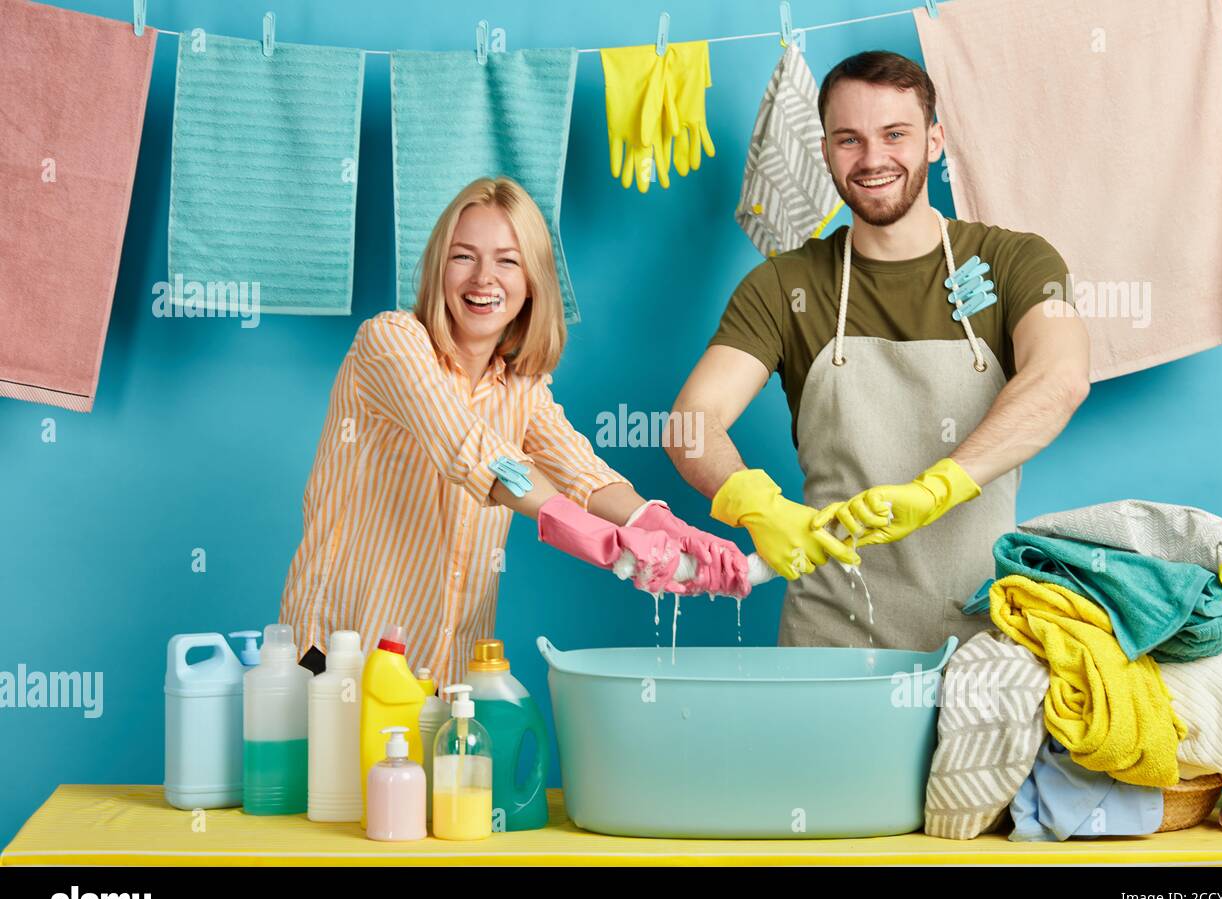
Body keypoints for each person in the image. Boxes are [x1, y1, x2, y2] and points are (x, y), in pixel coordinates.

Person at [667, 51, 1091, 651]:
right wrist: (755, 504)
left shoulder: (1014, 261)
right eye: (849, 139)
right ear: (825, 152)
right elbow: (689, 423)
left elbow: (1060, 378)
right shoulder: (785, 285)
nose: (872, 159)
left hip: (984, 638)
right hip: (828, 640)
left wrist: (936, 489)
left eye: (895, 134)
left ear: (934, 141)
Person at [280, 176, 749, 684]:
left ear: (532, 282)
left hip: (440, 675)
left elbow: (585, 474)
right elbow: (471, 449)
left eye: (507, 261)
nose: (484, 278)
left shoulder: (522, 389)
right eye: (463, 256)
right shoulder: (390, 342)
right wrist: (600, 540)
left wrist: (668, 529)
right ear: (439, 268)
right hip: (335, 663)